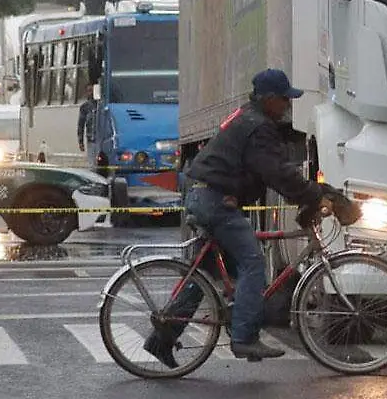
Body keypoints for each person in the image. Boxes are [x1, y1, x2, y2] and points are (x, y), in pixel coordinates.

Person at [143, 68, 335, 365]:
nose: (288, 105)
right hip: (213, 199)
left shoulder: (247, 116)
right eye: (284, 99)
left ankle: (162, 339)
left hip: (204, 193)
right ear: (270, 99)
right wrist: (313, 194)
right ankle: (245, 337)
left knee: (203, 273)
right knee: (253, 261)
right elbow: (277, 173)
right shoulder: (258, 126)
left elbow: (248, 169)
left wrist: (240, 194)